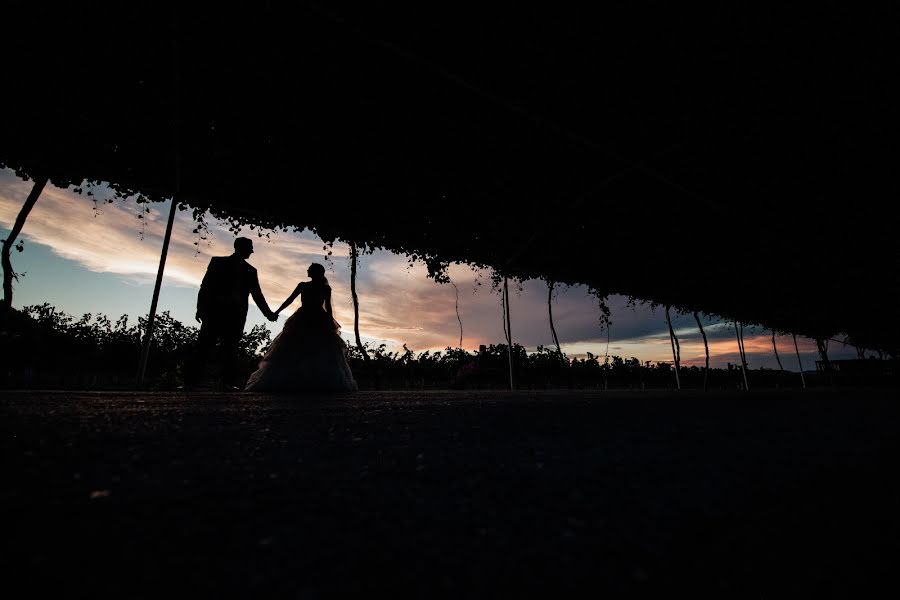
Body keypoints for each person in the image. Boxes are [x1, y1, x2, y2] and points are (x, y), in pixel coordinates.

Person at [245, 263, 357, 392]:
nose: (307, 271)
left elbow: (293, 301)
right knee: (305, 348)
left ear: (314, 272)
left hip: (311, 318)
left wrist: (329, 321)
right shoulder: (314, 287)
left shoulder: (315, 287)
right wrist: (277, 311)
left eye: (309, 269)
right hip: (313, 318)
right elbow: (290, 300)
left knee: (311, 348)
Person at [186, 237, 278, 390]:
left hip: (236, 315)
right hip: (215, 312)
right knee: (204, 346)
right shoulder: (217, 262)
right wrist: (200, 308)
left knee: (231, 348)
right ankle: (191, 381)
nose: (252, 251)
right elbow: (206, 286)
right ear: (240, 248)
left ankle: (226, 383)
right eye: (250, 248)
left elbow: (257, 294)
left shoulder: (251, 271)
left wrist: (268, 314)